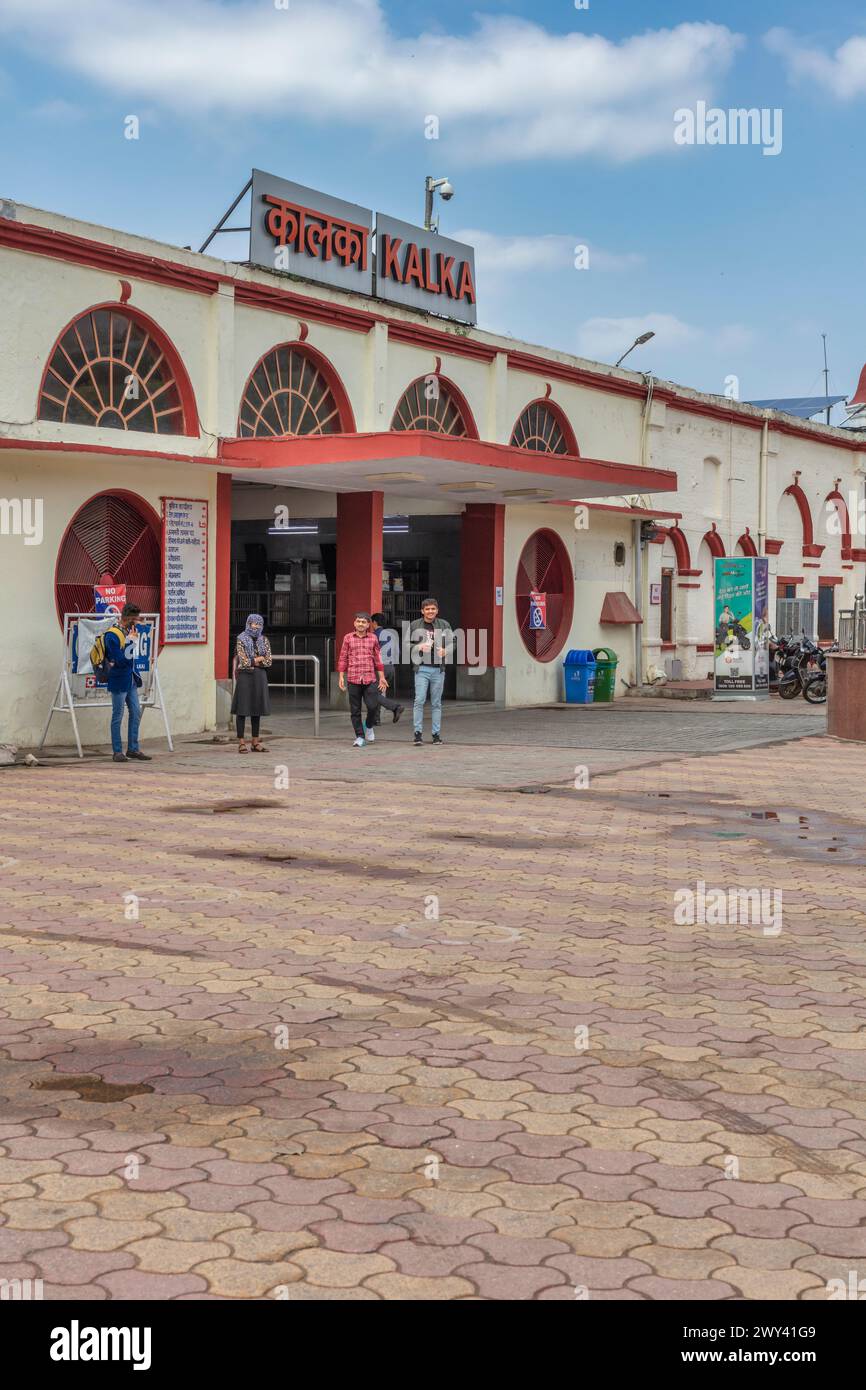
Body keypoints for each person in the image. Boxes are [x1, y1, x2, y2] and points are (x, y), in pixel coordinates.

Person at [105, 602, 151, 763]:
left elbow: (128, 660)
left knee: (136, 712)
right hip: (118, 679)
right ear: (128, 618)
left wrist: (131, 641)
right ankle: (117, 751)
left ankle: (133, 748)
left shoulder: (129, 630)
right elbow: (119, 660)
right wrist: (131, 643)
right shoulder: (112, 635)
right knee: (117, 715)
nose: (137, 622)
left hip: (131, 678)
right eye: (135, 619)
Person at [337, 612, 388, 747]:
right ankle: (360, 736)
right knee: (355, 710)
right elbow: (343, 657)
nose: (360, 624)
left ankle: (369, 726)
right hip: (353, 678)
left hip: (369, 678)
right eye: (358, 621)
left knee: (372, 706)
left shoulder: (373, 639)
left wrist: (381, 677)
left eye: (363, 622)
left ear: (368, 624)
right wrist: (341, 676)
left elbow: (378, 659)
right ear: (354, 623)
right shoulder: (348, 638)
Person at [409, 597, 454, 745]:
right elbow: (406, 645)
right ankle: (417, 733)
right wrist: (418, 647)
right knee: (419, 700)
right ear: (422, 611)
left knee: (436, 703)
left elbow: (453, 642)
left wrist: (445, 650)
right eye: (427, 609)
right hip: (421, 668)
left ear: (437, 610)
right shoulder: (415, 625)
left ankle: (436, 734)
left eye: (433, 609)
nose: (430, 611)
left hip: (438, 669)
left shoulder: (444, 624)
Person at [232, 612, 272, 752]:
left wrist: (255, 661)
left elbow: (269, 661)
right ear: (249, 623)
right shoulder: (241, 639)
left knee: (257, 710)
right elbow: (244, 661)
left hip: (260, 677)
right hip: (245, 677)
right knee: (242, 710)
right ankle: (241, 742)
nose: (257, 626)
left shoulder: (264, 640)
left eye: (259, 624)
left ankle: (255, 742)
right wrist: (259, 659)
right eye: (254, 623)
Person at [363, 612, 404, 736]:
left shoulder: (373, 636)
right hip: (391, 667)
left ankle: (395, 707)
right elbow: (398, 652)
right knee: (378, 693)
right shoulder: (391, 635)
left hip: (379, 668)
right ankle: (376, 719)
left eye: (370, 622)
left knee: (371, 693)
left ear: (374, 623)